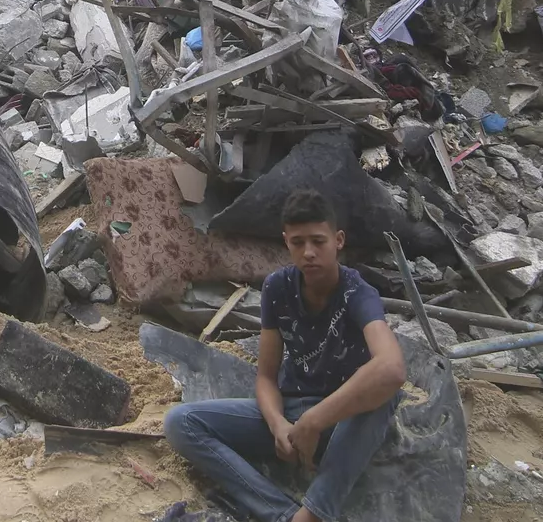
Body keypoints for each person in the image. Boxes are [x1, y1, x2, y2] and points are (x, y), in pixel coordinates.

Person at [163, 188, 407, 522]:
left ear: (338, 240)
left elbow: (393, 369)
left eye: (318, 242)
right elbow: (265, 376)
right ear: (286, 242)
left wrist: (315, 420)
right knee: (181, 422)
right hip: (294, 412)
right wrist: (280, 425)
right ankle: (281, 513)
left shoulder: (357, 292)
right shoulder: (278, 288)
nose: (308, 253)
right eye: (297, 242)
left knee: (381, 396)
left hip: (346, 418)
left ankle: (313, 514)